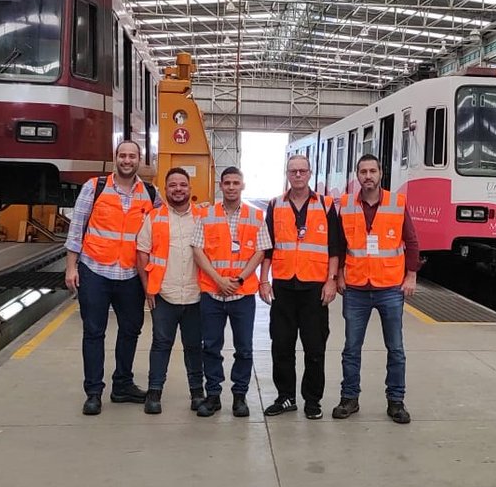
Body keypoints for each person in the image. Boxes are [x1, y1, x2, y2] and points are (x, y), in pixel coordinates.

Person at [65, 140, 160, 416]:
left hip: (131, 274)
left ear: (139, 160)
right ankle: (93, 392)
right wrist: (71, 267)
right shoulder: (94, 188)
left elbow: (166, 220)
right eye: (122, 155)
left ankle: (122, 385)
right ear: (115, 158)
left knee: (131, 330)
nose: (127, 160)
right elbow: (77, 228)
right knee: (94, 332)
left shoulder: (150, 193)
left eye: (132, 156)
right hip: (95, 270)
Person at [333, 154, 420, 425]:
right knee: (351, 348)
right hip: (356, 288)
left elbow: (412, 240)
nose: (367, 176)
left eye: (372, 171)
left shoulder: (397, 203)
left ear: (381, 173)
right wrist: (338, 275)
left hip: (390, 288)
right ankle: (349, 398)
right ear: (356, 175)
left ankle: (396, 402)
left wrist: (411, 276)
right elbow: (337, 244)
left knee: (395, 348)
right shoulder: (346, 204)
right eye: (363, 171)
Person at [258, 155, 342, 420]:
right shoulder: (275, 205)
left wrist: (331, 279)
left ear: (310, 173)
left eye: (302, 171)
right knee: (281, 345)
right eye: (293, 171)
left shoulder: (326, 205)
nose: (297, 175)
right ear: (287, 173)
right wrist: (263, 280)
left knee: (314, 348)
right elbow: (267, 248)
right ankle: (286, 397)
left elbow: (335, 247)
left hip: (314, 288)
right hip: (283, 287)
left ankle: (312, 401)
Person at [191, 167, 271, 418]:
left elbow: (261, 251)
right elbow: (198, 250)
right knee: (211, 347)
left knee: (244, 348)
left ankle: (239, 396)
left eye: (236, 183)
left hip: (242, 294)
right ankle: (213, 395)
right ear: (220, 185)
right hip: (212, 295)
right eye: (227, 183)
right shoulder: (206, 214)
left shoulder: (256, 216)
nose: (231, 187)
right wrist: (218, 280)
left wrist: (238, 279)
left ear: (243, 186)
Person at [136, 167, 205, 415]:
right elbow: (142, 253)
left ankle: (198, 392)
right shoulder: (154, 218)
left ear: (189, 188)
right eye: (173, 185)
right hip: (163, 294)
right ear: (165, 190)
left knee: (194, 345)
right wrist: (148, 289)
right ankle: (154, 392)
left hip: (196, 294)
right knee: (161, 344)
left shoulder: (203, 216)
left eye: (182, 185)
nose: (178, 189)